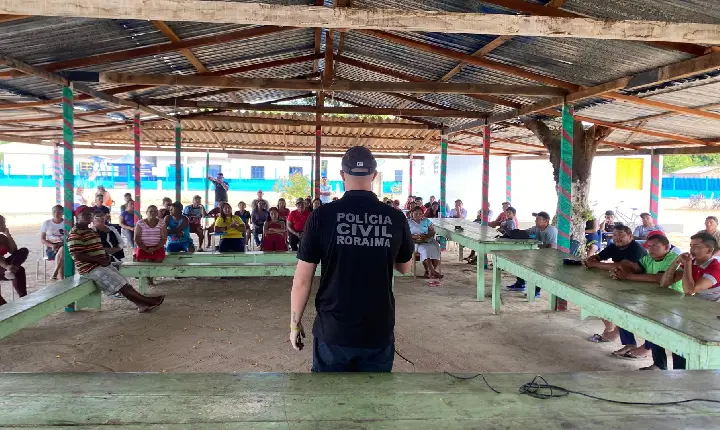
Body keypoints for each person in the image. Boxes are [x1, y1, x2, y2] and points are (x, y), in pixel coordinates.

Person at [289, 146, 413, 372]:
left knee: (329, 401)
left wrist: (294, 323)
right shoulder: (395, 217)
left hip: (333, 331)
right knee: (373, 403)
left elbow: (302, 280)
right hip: (378, 330)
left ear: (342, 174)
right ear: (374, 175)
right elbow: (405, 267)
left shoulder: (321, 216)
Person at [68, 206, 164, 313]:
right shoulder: (75, 233)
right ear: (77, 216)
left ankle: (141, 304)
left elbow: (98, 248)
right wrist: (100, 260)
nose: (88, 216)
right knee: (121, 284)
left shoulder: (90, 231)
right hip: (90, 269)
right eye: (84, 214)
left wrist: (104, 258)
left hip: (100, 264)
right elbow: (77, 255)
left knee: (123, 282)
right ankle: (147, 301)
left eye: (90, 214)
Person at [610, 234, 683, 364]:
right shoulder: (648, 258)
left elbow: (659, 279)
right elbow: (635, 267)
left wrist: (628, 276)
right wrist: (623, 267)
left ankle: (655, 360)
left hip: (671, 301)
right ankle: (630, 343)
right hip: (650, 296)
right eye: (649, 246)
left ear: (666, 247)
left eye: (655, 246)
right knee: (622, 307)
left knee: (655, 327)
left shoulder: (673, 259)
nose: (651, 249)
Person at [653, 233, 720, 370]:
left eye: (696, 246)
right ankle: (664, 367)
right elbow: (664, 283)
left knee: (689, 344)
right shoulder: (693, 263)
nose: (691, 249)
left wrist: (688, 264)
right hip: (695, 307)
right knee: (660, 328)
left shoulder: (715, 267)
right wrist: (676, 262)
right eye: (690, 246)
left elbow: (690, 290)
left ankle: (685, 374)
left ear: (709, 250)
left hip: (713, 313)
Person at [584, 224, 647, 347]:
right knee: (598, 298)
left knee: (623, 309)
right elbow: (598, 257)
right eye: (615, 235)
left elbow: (622, 266)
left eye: (621, 235)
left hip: (640, 286)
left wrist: (595, 264)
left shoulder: (636, 249)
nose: (617, 238)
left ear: (630, 236)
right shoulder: (614, 246)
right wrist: (592, 259)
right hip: (621, 281)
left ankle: (619, 336)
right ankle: (609, 329)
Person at [506, 211, 558, 298]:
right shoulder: (536, 228)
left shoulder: (551, 230)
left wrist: (539, 257)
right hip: (540, 252)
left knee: (539, 270)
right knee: (519, 260)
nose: (536, 221)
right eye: (536, 219)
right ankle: (521, 283)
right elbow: (526, 232)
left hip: (551, 255)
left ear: (546, 221)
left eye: (538, 219)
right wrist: (512, 232)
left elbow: (552, 248)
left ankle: (536, 291)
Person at [0, 215, 28, 306]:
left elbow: (14, 251)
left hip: (4, 267)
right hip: (2, 266)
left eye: (4, 223)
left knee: (23, 251)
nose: (4, 225)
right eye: (2, 223)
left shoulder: (2, 237)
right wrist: (7, 266)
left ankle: (24, 298)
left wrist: (8, 235)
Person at [408, 206, 442, 279]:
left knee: (436, 248)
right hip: (415, 243)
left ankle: (429, 272)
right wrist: (415, 236)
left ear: (422, 214)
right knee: (425, 250)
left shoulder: (426, 221)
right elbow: (405, 234)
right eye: (416, 213)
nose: (418, 215)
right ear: (411, 213)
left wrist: (426, 235)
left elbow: (432, 231)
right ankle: (432, 271)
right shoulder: (408, 222)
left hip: (427, 240)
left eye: (420, 213)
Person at [40, 205, 66, 280]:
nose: (56, 214)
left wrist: (61, 244)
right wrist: (51, 245)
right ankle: (60, 280)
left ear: (62, 213)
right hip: (52, 248)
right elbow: (42, 239)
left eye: (59, 212)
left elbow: (70, 237)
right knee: (62, 255)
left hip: (63, 245)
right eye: (54, 212)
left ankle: (56, 271)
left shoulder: (66, 223)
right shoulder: (47, 223)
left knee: (63, 249)